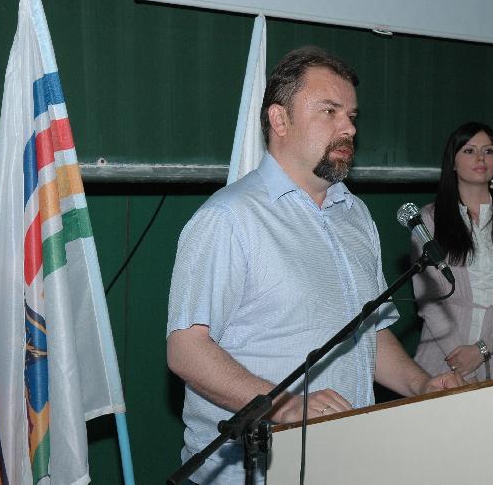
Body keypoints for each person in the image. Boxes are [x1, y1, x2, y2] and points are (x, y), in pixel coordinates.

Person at [167, 46, 463, 483]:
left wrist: (420, 384)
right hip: (250, 473)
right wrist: (285, 405)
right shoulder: (228, 218)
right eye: (330, 111)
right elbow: (187, 351)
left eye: (352, 116)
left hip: (343, 463)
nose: (349, 127)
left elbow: (367, 334)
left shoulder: (356, 215)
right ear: (279, 119)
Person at [411, 122, 493, 382]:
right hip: (444, 356)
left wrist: (482, 349)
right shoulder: (428, 219)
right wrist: (460, 359)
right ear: (453, 162)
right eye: (469, 151)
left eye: (488, 151)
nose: (481, 158)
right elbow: (429, 299)